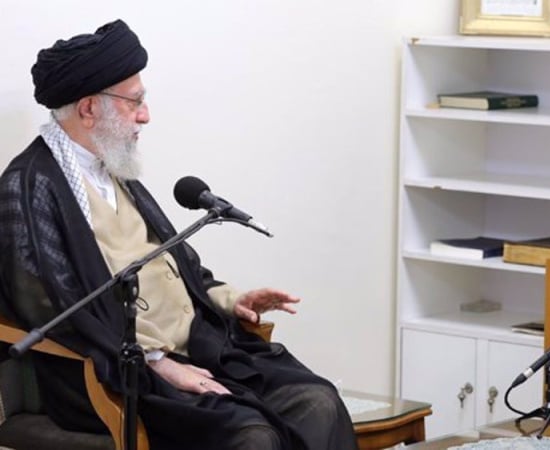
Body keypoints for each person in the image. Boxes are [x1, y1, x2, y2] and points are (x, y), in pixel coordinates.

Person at [0, 19, 358, 450]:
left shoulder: (114, 168)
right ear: (89, 109)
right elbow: (52, 309)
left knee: (317, 401)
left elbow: (174, 263)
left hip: (200, 347)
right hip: (116, 375)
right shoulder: (29, 186)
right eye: (135, 102)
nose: (145, 115)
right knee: (252, 436)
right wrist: (156, 364)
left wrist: (230, 299)